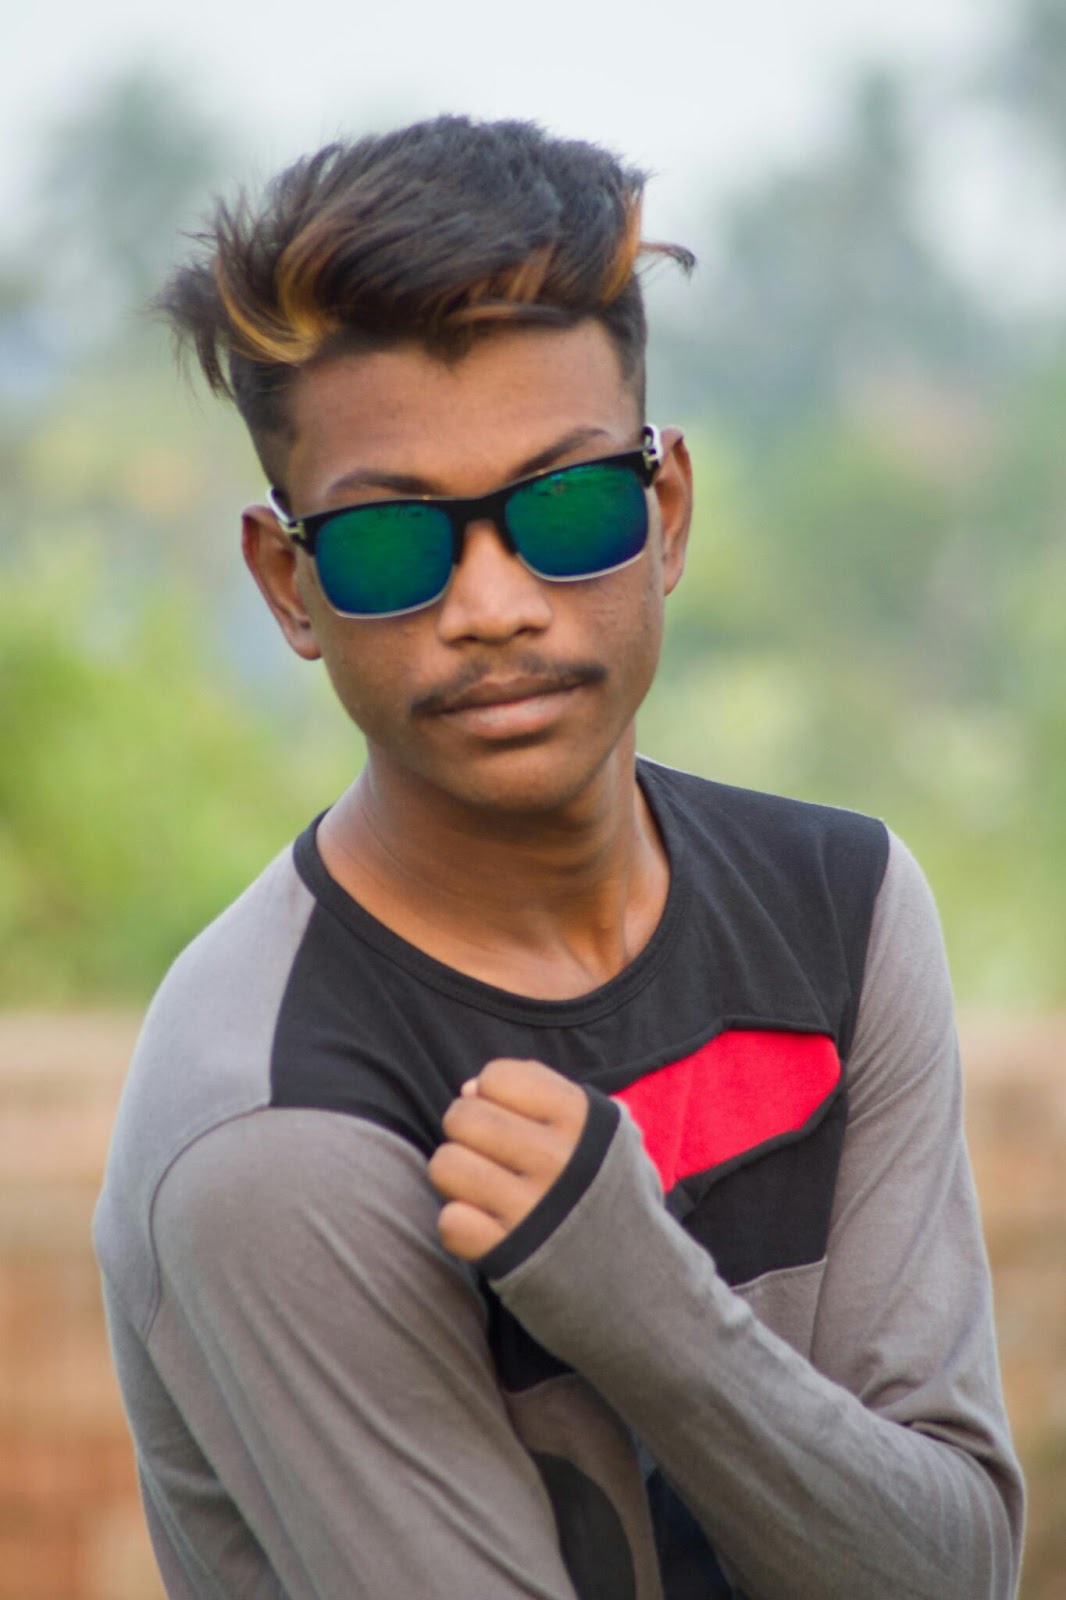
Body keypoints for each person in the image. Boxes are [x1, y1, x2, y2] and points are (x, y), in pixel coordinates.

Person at [94, 115, 1024, 1599]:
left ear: (662, 515)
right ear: (290, 583)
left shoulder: (837, 913)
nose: (494, 605)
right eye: (398, 543)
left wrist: (643, 1306)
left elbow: (952, 1565)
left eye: (565, 510)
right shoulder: (273, 1128)